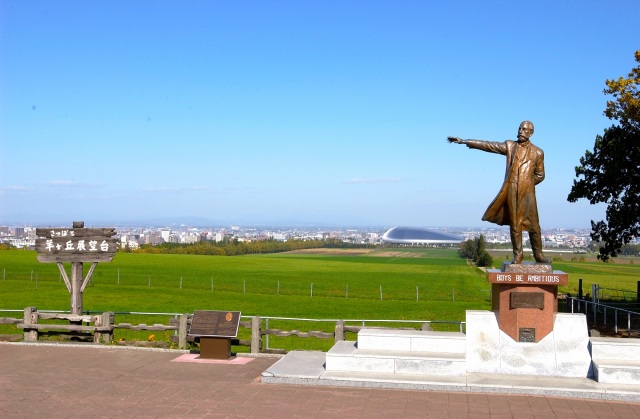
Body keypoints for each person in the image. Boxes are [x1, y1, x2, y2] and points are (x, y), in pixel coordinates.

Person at [448, 121, 550, 264]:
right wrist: (465, 141)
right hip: (511, 190)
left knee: (534, 225)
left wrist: (527, 183)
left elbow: (540, 175)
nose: (520, 131)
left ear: (530, 133)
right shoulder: (510, 146)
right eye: (519, 128)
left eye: (524, 129)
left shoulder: (538, 152)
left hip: (527, 194)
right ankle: (518, 255)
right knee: (515, 225)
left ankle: (538, 255)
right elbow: (489, 146)